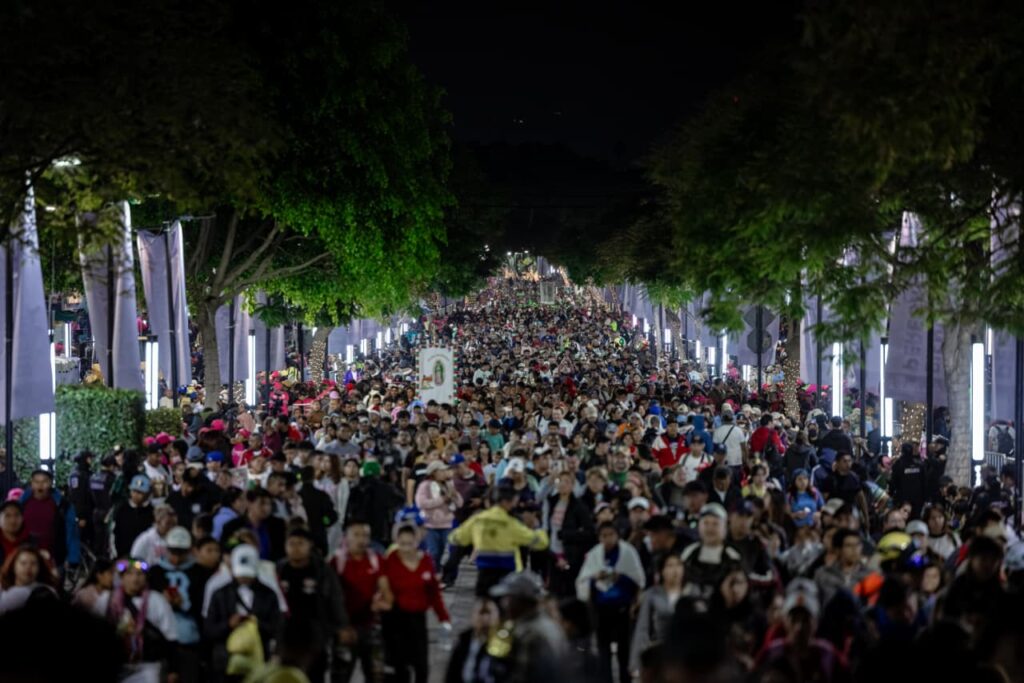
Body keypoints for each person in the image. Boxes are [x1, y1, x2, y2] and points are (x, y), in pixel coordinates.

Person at [576, 521, 646, 683]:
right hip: (601, 609)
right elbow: (583, 580)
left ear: (617, 535)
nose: (608, 539)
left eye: (611, 535)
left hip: (622, 607)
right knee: (603, 649)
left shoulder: (628, 552)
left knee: (624, 649)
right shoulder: (594, 554)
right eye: (604, 536)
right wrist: (595, 577)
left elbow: (638, 580)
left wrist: (620, 577)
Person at [449, 484, 549, 597]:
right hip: (507, 576)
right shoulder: (511, 523)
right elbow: (540, 543)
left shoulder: (478, 520)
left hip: (484, 574)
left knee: (484, 607)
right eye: (513, 502)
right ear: (505, 502)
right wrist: (537, 527)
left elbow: (455, 538)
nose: (514, 505)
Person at [381, 523, 451, 683]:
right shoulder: (390, 561)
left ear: (417, 541)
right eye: (402, 543)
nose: (406, 548)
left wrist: (444, 618)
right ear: (396, 541)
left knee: (421, 666)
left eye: (410, 543)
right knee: (398, 667)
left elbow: (434, 593)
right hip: (395, 621)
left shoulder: (425, 560)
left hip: (418, 621)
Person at [277, 526, 348, 682]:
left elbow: (335, 598)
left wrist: (341, 626)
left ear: (309, 545)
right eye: (291, 543)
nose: (295, 548)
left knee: (316, 674)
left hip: (315, 633)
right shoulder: (279, 569)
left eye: (300, 543)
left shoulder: (322, 570)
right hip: (286, 635)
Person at [205, 544, 283, 679]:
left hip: (259, 663)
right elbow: (209, 630)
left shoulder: (268, 594)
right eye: (241, 574)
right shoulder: (219, 594)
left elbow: (278, 627)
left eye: (248, 574)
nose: (244, 578)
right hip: (225, 663)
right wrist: (229, 624)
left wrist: (257, 624)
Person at [330, 519, 392, 683]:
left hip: (371, 629)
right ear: (346, 537)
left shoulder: (376, 560)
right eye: (356, 534)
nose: (362, 539)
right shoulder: (336, 562)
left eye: (365, 535)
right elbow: (328, 597)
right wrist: (339, 626)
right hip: (345, 630)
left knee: (376, 675)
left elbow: (387, 592)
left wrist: (382, 602)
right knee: (341, 675)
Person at [147, 526, 210, 681]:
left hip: (188, 638)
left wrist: (184, 604)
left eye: (181, 553)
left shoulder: (200, 573)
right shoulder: (154, 572)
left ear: (189, 550)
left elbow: (206, 608)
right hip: (158, 641)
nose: (176, 557)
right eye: (173, 552)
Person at [94, 558, 178, 674]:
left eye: (139, 574)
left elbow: (171, 635)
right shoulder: (106, 600)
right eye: (129, 573)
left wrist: (173, 670)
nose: (135, 579)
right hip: (117, 664)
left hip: (149, 666)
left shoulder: (156, 600)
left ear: (145, 577)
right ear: (122, 577)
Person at [488, 571, 568, 683]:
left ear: (521, 600)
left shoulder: (530, 633)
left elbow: (521, 677)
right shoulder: (547, 623)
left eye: (508, 598)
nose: (503, 603)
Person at [630, 553, 685, 676]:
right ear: (662, 571)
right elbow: (642, 628)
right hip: (660, 651)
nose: (675, 570)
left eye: (678, 565)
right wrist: (636, 662)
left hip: (685, 653)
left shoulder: (691, 592)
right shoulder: (652, 595)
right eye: (670, 566)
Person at [544, 471, 595, 597]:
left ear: (572, 485)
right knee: (553, 590)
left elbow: (589, 532)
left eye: (566, 481)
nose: (562, 484)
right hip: (552, 553)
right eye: (559, 481)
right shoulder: (551, 502)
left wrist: (566, 534)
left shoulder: (579, 506)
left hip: (570, 554)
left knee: (568, 590)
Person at [19, 469, 80, 568]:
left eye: (44, 482)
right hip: (25, 558)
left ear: (50, 483)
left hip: (54, 559)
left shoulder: (62, 505)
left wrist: (73, 558)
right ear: (31, 483)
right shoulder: (21, 504)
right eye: (36, 482)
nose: (40, 486)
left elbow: (72, 531)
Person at [681, 503, 743, 599]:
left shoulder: (732, 556)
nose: (710, 529)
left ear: (725, 528)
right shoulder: (689, 552)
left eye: (715, 524)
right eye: (706, 523)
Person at [414, 459, 462, 572]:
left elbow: (459, 503)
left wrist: (454, 495)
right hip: (430, 525)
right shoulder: (425, 485)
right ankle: (432, 574)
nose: (445, 472)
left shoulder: (448, 485)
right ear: (434, 472)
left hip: (447, 524)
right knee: (433, 552)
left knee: (445, 553)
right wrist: (443, 499)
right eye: (442, 471)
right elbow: (421, 503)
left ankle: (440, 574)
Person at [221, 488, 287, 561]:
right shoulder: (233, 526)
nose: (267, 508)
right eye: (262, 503)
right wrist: (236, 539)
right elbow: (226, 547)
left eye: (269, 504)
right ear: (249, 503)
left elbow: (283, 551)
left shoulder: (278, 525)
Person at [0, 546, 58, 613]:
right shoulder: (4, 586)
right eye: (23, 563)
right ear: (13, 566)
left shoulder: (45, 591)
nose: (28, 567)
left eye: (33, 563)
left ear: (40, 568)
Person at [111, 475, 156, 560]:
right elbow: (113, 532)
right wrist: (115, 553)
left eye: (140, 493)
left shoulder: (152, 511)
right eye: (134, 491)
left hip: (144, 558)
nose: (136, 495)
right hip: (122, 556)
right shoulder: (121, 509)